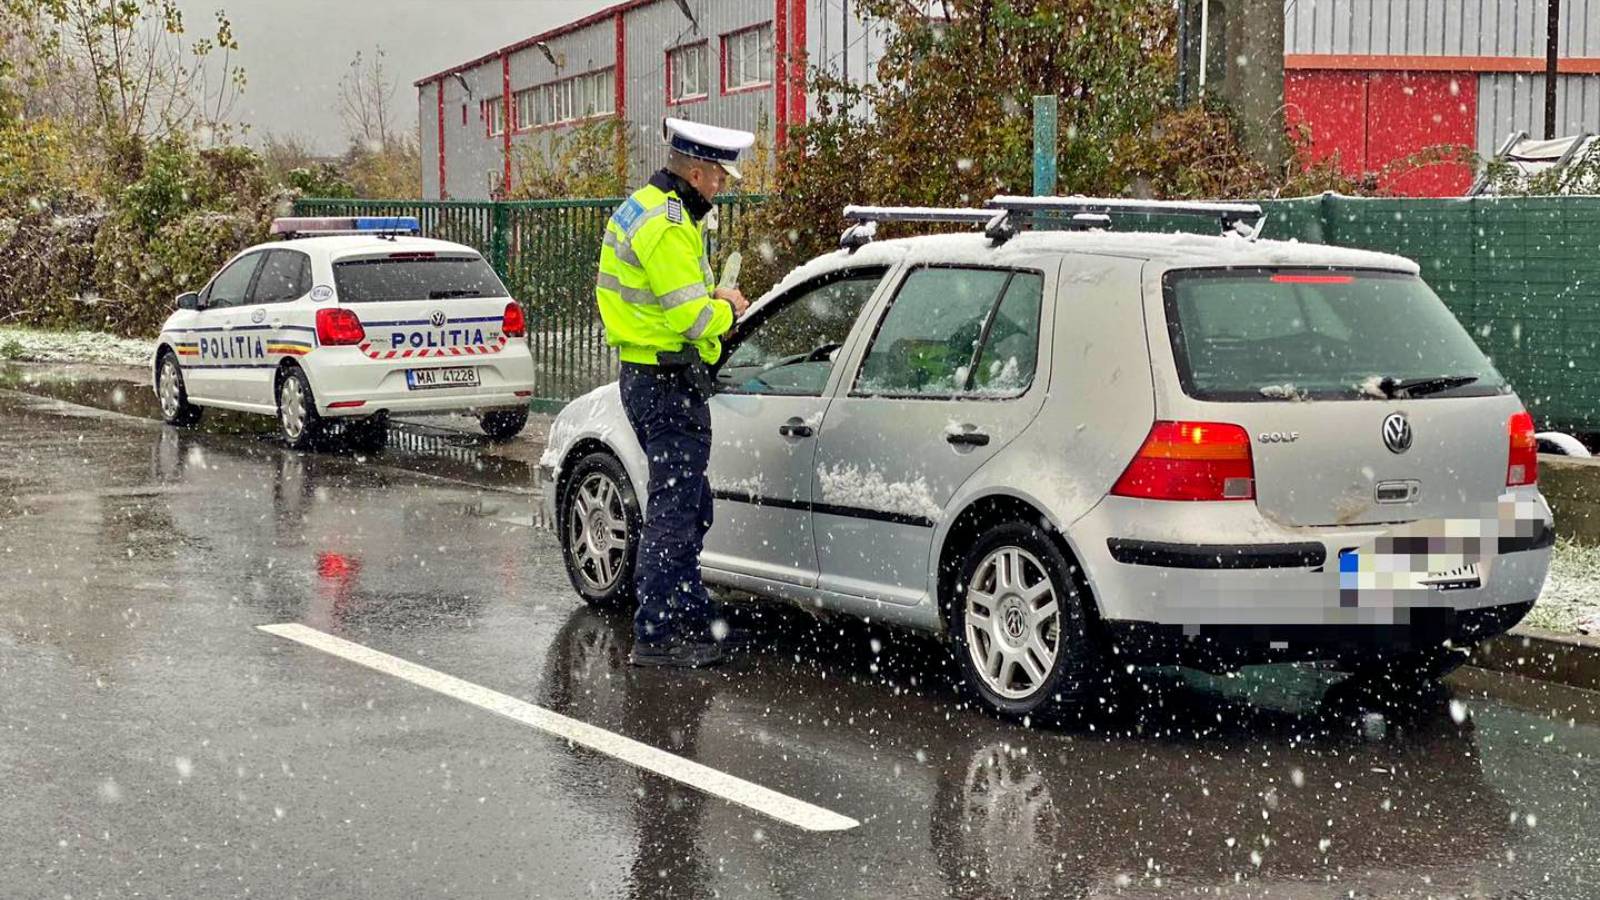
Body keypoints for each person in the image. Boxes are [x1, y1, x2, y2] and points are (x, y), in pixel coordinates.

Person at [595, 117, 754, 668]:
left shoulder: (649, 207)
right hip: (667, 382)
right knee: (675, 511)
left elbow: (673, 295)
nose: (722, 187)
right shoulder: (667, 224)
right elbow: (689, 316)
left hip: (652, 377)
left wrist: (713, 295)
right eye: (718, 176)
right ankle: (658, 635)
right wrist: (727, 309)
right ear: (694, 168)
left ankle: (691, 619)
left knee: (688, 504)